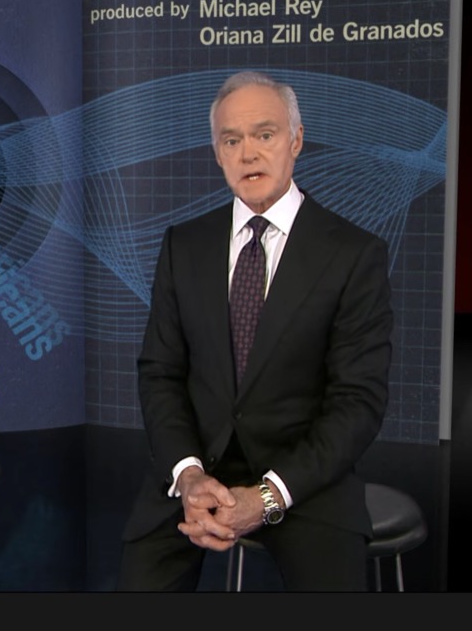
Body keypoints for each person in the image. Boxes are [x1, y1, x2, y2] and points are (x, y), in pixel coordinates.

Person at [117, 71, 392, 591]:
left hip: (303, 479)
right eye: (231, 140)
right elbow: (160, 373)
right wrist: (189, 475)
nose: (248, 153)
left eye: (265, 134)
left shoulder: (353, 255)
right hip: (197, 469)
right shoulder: (184, 245)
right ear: (218, 155)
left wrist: (267, 496)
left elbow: (358, 402)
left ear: (296, 140)